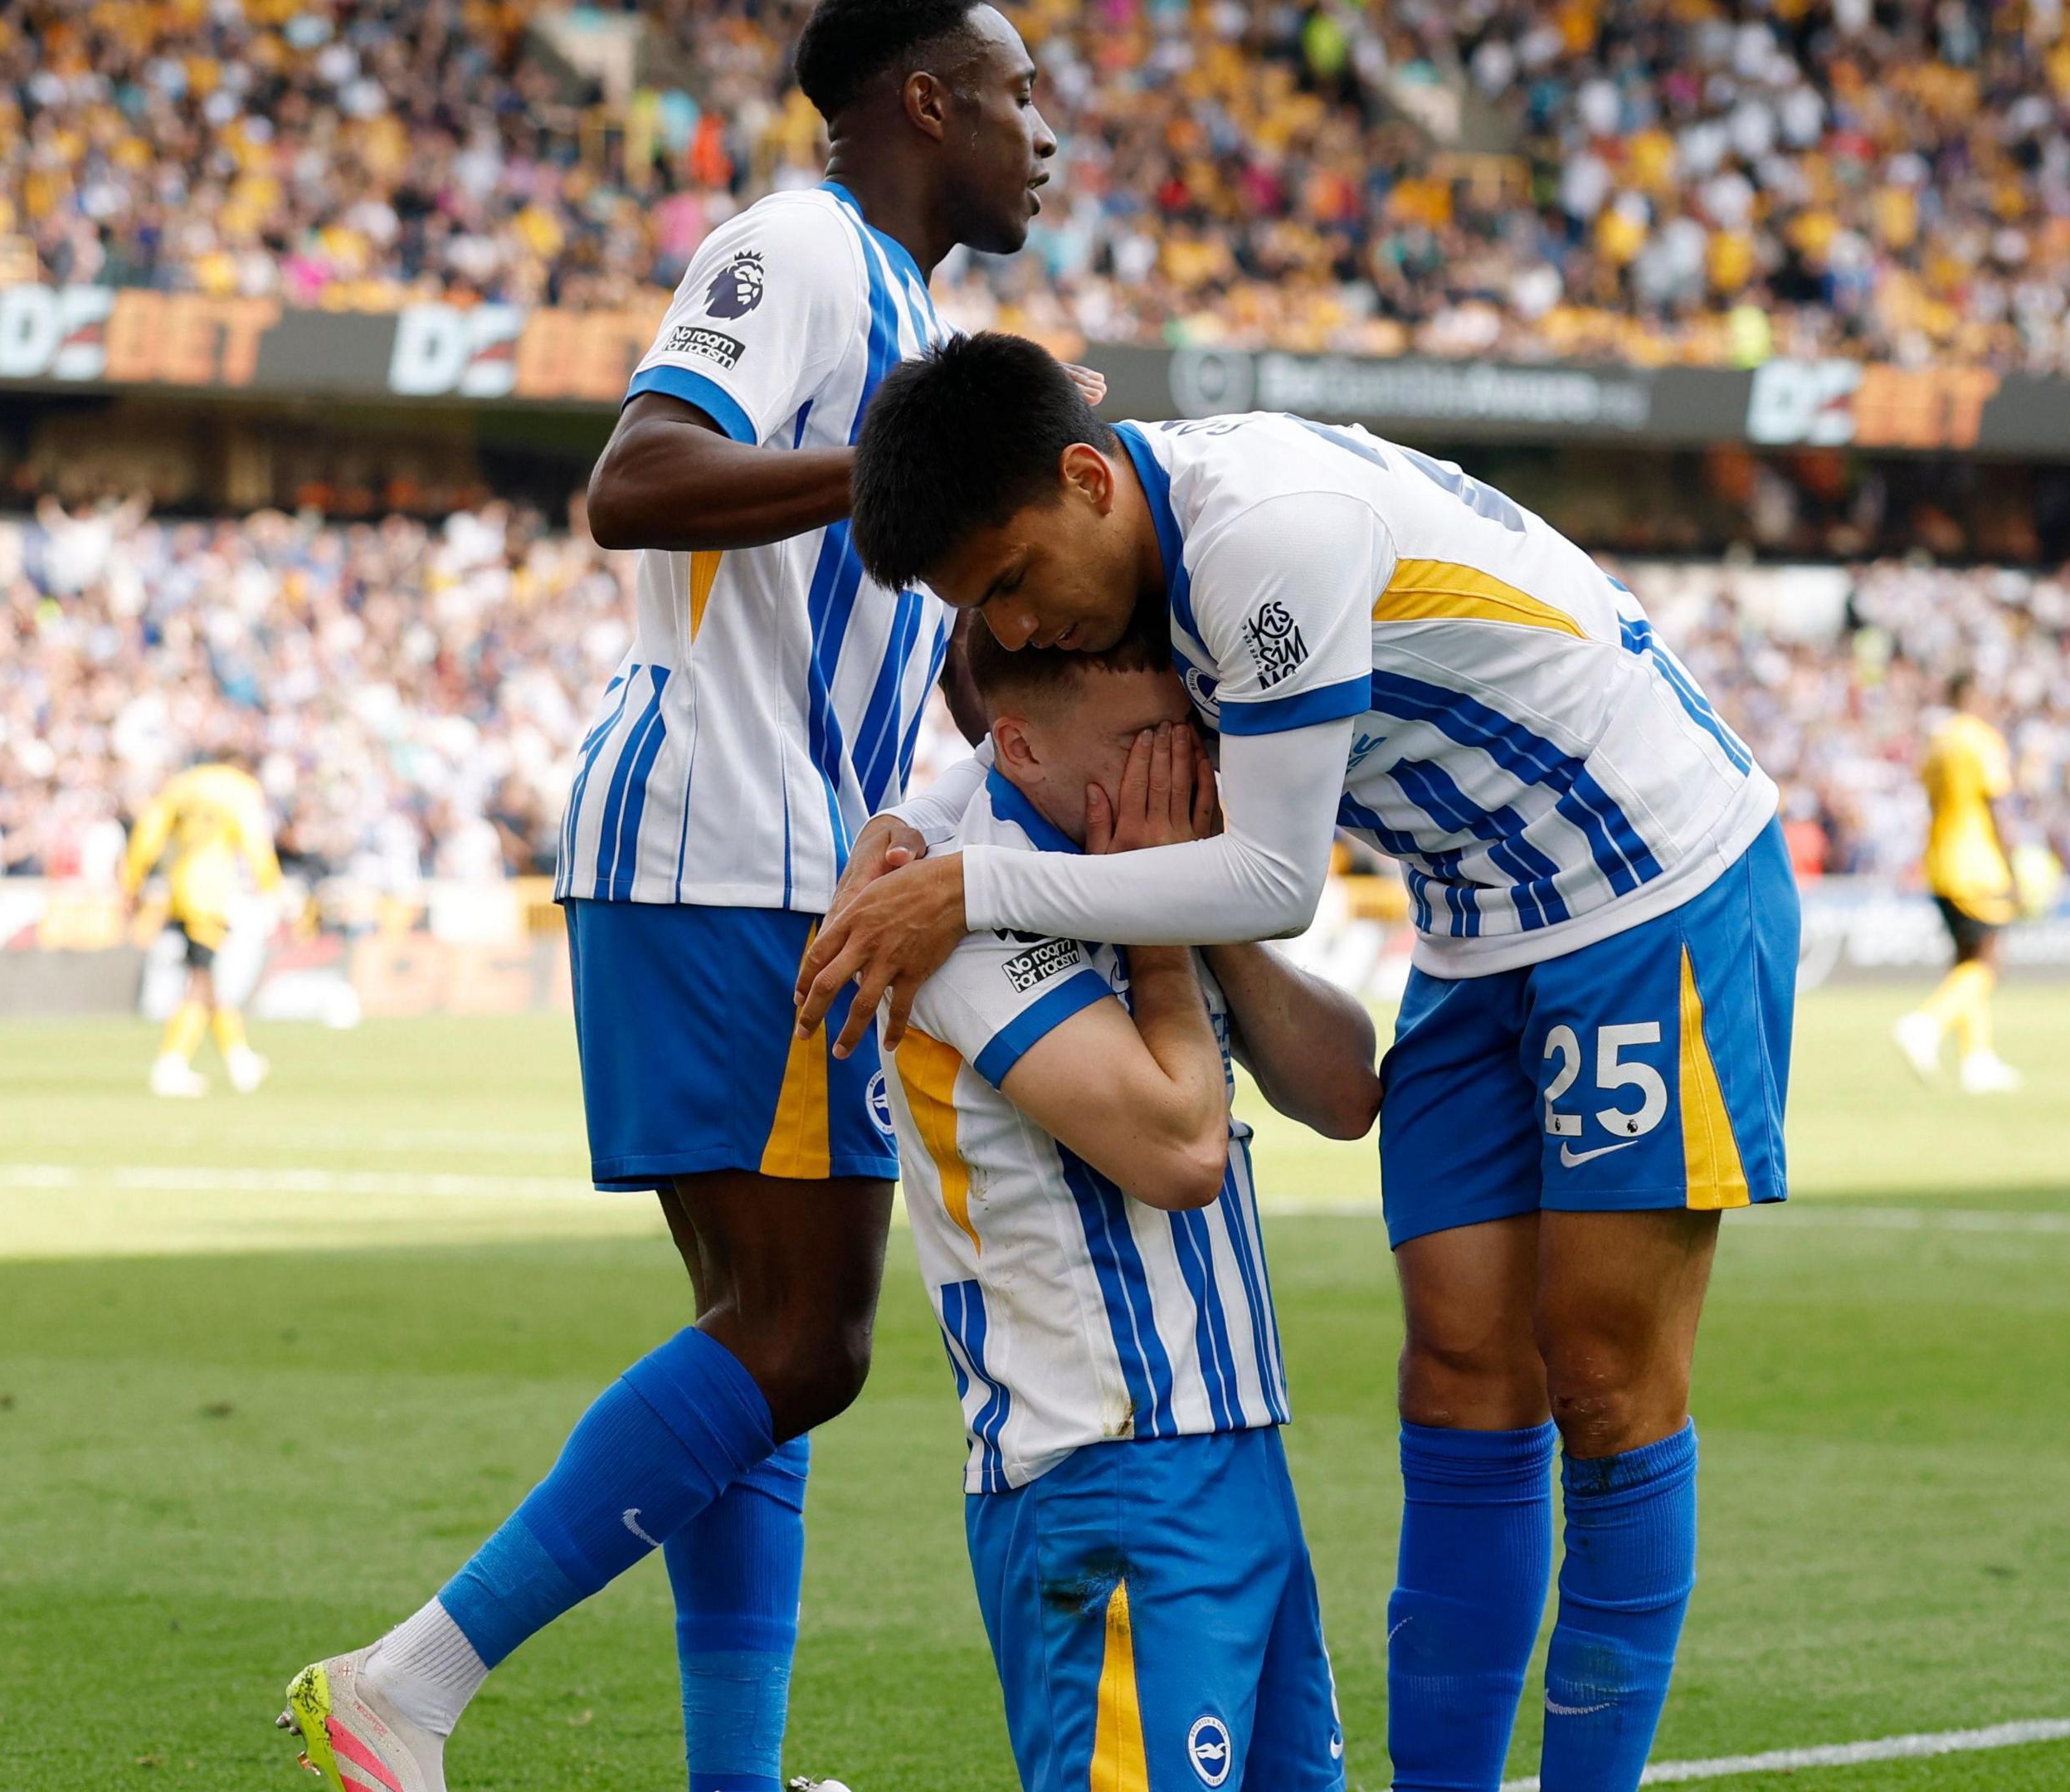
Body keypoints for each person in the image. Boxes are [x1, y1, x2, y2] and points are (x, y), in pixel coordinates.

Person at [807, 333, 1798, 1792]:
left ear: (1089, 480)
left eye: (1013, 580)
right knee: (1458, 1370)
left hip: (1647, 883)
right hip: (1478, 923)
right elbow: (1034, 746)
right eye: (983, 608)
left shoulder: (1263, 535)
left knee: (1599, 1378)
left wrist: (965, 885)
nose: (1018, 625)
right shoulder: (1130, 577)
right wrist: (911, 831)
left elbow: (1272, 881)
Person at [278, 8, 1072, 1791]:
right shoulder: (801, 247)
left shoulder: (912, 320)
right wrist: (913, 478)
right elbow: (634, 483)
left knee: (758, 1349)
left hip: (774, 848)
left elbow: (899, 630)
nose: (1046, 133)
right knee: (806, 1340)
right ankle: (406, 1685)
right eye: (1019, 94)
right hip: (730, 844)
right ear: (924, 100)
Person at [888, 634, 1376, 1792]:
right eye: (1140, 740)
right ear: (1019, 746)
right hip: (1105, 1473)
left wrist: (1192, 897)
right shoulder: (950, 910)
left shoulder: (1141, 855)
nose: (1180, 765)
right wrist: (1161, 938)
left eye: (1186, 730)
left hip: (1239, 1449)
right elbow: (1183, 1148)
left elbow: (1347, 1089)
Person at [120, 749, 285, 1097]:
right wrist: (271, 888)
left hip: (181, 888)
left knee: (206, 977)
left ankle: (237, 1056)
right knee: (201, 978)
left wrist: (131, 883)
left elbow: (148, 833)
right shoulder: (240, 788)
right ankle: (173, 1062)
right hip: (213, 893)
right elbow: (255, 843)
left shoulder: (182, 785)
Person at [1891, 671, 2024, 1093]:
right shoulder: (1980, 739)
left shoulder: (1938, 741)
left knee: (1965, 958)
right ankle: (1926, 1023)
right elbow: (1996, 806)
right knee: (1989, 961)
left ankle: (1977, 1059)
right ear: (1970, 694)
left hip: (1941, 859)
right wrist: (2014, 868)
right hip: (1977, 863)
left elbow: (1932, 801)